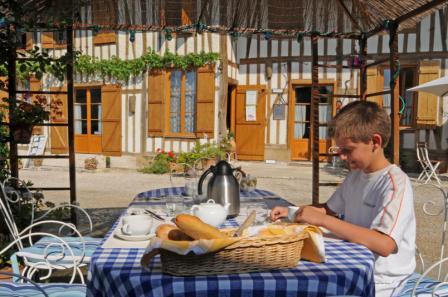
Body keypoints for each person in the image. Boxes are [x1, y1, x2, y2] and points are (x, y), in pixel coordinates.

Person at [270, 101, 415, 297]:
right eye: (340, 150)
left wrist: (323, 220)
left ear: (375, 142)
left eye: (347, 150)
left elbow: (384, 244)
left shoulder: (394, 183)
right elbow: (329, 209)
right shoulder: (356, 176)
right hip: (354, 265)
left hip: (382, 279)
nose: (343, 157)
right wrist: (294, 210)